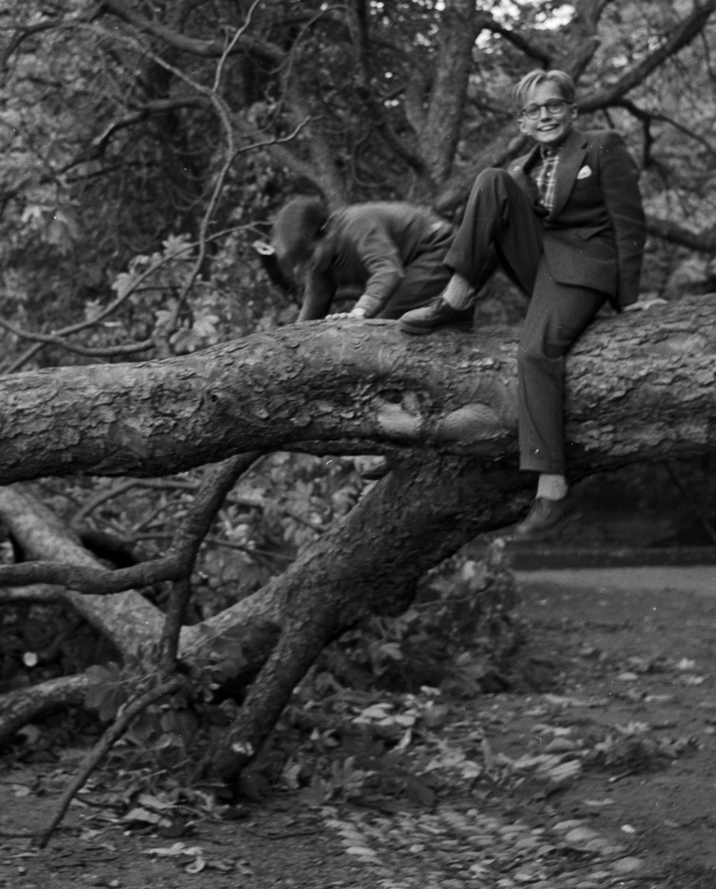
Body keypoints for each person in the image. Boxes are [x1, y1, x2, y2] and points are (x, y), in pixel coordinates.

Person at [398, 69, 647, 539]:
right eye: (534, 110)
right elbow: (495, 238)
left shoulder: (602, 145)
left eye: (554, 105)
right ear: (522, 123)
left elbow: (629, 222)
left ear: (572, 110)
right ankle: (458, 296)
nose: (545, 115)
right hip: (541, 266)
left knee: (535, 353)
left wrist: (627, 300)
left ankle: (552, 489)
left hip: (585, 268)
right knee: (491, 180)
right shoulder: (524, 171)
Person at [269, 197, 454, 322]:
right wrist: (295, 339)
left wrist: (361, 311)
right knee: (382, 320)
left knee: (386, 320)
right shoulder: (320, 264)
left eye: (309, 257)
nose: (309, 266)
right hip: (408, 265)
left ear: (326, 231)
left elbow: (387, 271)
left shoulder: (357, 225)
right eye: (301, 263)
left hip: (435, 248)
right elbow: (316, 300)